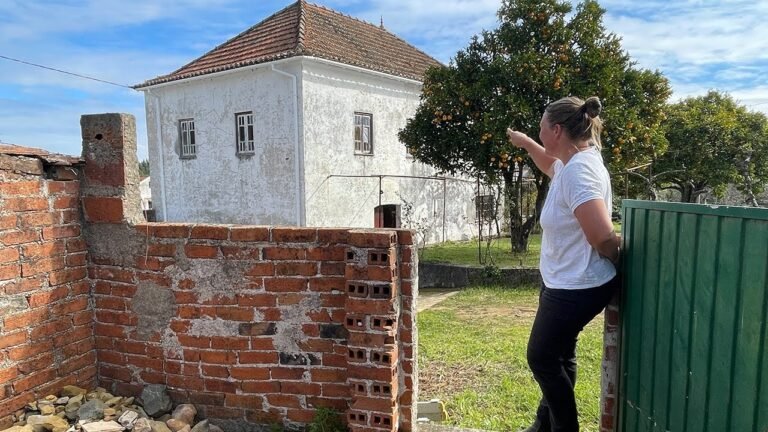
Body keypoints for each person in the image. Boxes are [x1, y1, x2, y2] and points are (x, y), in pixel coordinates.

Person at [506, 96, 621, 432]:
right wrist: (526, 142)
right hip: (565, 282)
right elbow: (548, 163)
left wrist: (618, 259)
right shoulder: (571, 163)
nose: (540, 135)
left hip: (577, 286)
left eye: (541, 130)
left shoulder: (580, 172)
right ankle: (544, 426)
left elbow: (601, 236)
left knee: (541, 357)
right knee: (560, 355)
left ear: (556, 130)